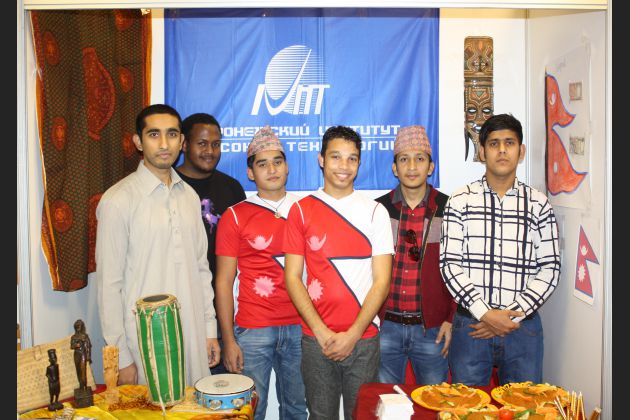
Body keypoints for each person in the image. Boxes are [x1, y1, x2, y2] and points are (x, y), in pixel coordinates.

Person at [96, 104, 220, 387]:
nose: (164, 144)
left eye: (172, 134)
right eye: (154, 134)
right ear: (138, 142)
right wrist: (121, 356)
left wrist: (209, 330)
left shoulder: (189, 196)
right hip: (143, 345)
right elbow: (108, 286)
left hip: (192, 337)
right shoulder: (118, 201)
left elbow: (201, 269)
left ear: (181, 141)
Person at [440, 113, 561, 386]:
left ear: (521, 151)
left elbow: (550, 268)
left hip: (522, 327)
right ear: (482, 152)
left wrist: (509, 316)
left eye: (510, 143)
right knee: (466, 406)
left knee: (522, 406)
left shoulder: (539, 204)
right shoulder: (460, 200)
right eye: (494, 144)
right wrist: (486, 313)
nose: (502, 150)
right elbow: (449, 264)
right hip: (472, 326)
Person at [283, 125, 394, 419]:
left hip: (364, 338)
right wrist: (321, 333)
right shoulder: (301, 210)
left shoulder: (376, 212)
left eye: (352, 158)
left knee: (363, 416)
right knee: (321, 415)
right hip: (316, 339)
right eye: (335, 157)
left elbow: (382, 281)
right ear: (321, 159)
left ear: (359, 163)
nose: (344, 166)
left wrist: (353, 335)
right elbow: (292, 277)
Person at [215, 126, 307, 420]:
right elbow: (223, 282)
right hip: (253, 328)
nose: (272, 169)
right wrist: (228, 340)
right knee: (250, 411)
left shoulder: (305, 210)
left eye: (277, 162)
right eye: (262, 164)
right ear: (251, 173)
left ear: (287, 166)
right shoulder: (235, 215)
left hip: (300, 327)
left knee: (297, 409)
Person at [375, 125, 456, 385]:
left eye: (419, 159)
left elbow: (460, 268)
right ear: (394, 168)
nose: (412, 167)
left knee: (434, 402)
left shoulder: (449, 209)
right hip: (386, 327)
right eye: (404, 159)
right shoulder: (378, 210)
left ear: (431, 167)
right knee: (386, 402)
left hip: (432, 329)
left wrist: (451, 319)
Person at [174, 112, 245, 374]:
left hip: (222, 315)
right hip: (180, 310)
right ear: (184, 144)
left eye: (216, 144)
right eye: (202, 143)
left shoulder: (232, 188)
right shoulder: (169, 186)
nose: (210, 151)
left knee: (220, 393)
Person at [70, 319, 92, 391]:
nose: (78, 328)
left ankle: (84, 386)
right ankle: (81, 385)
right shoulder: (73, 337)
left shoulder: (84, 336)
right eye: (77, 326)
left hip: (83, 354)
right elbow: (71, 346)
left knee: (83, 370)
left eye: (79, 326)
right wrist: (76, 345)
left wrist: (88, 356)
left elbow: (88, 346)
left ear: (82, 327)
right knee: (78, 370)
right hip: (76, 354)